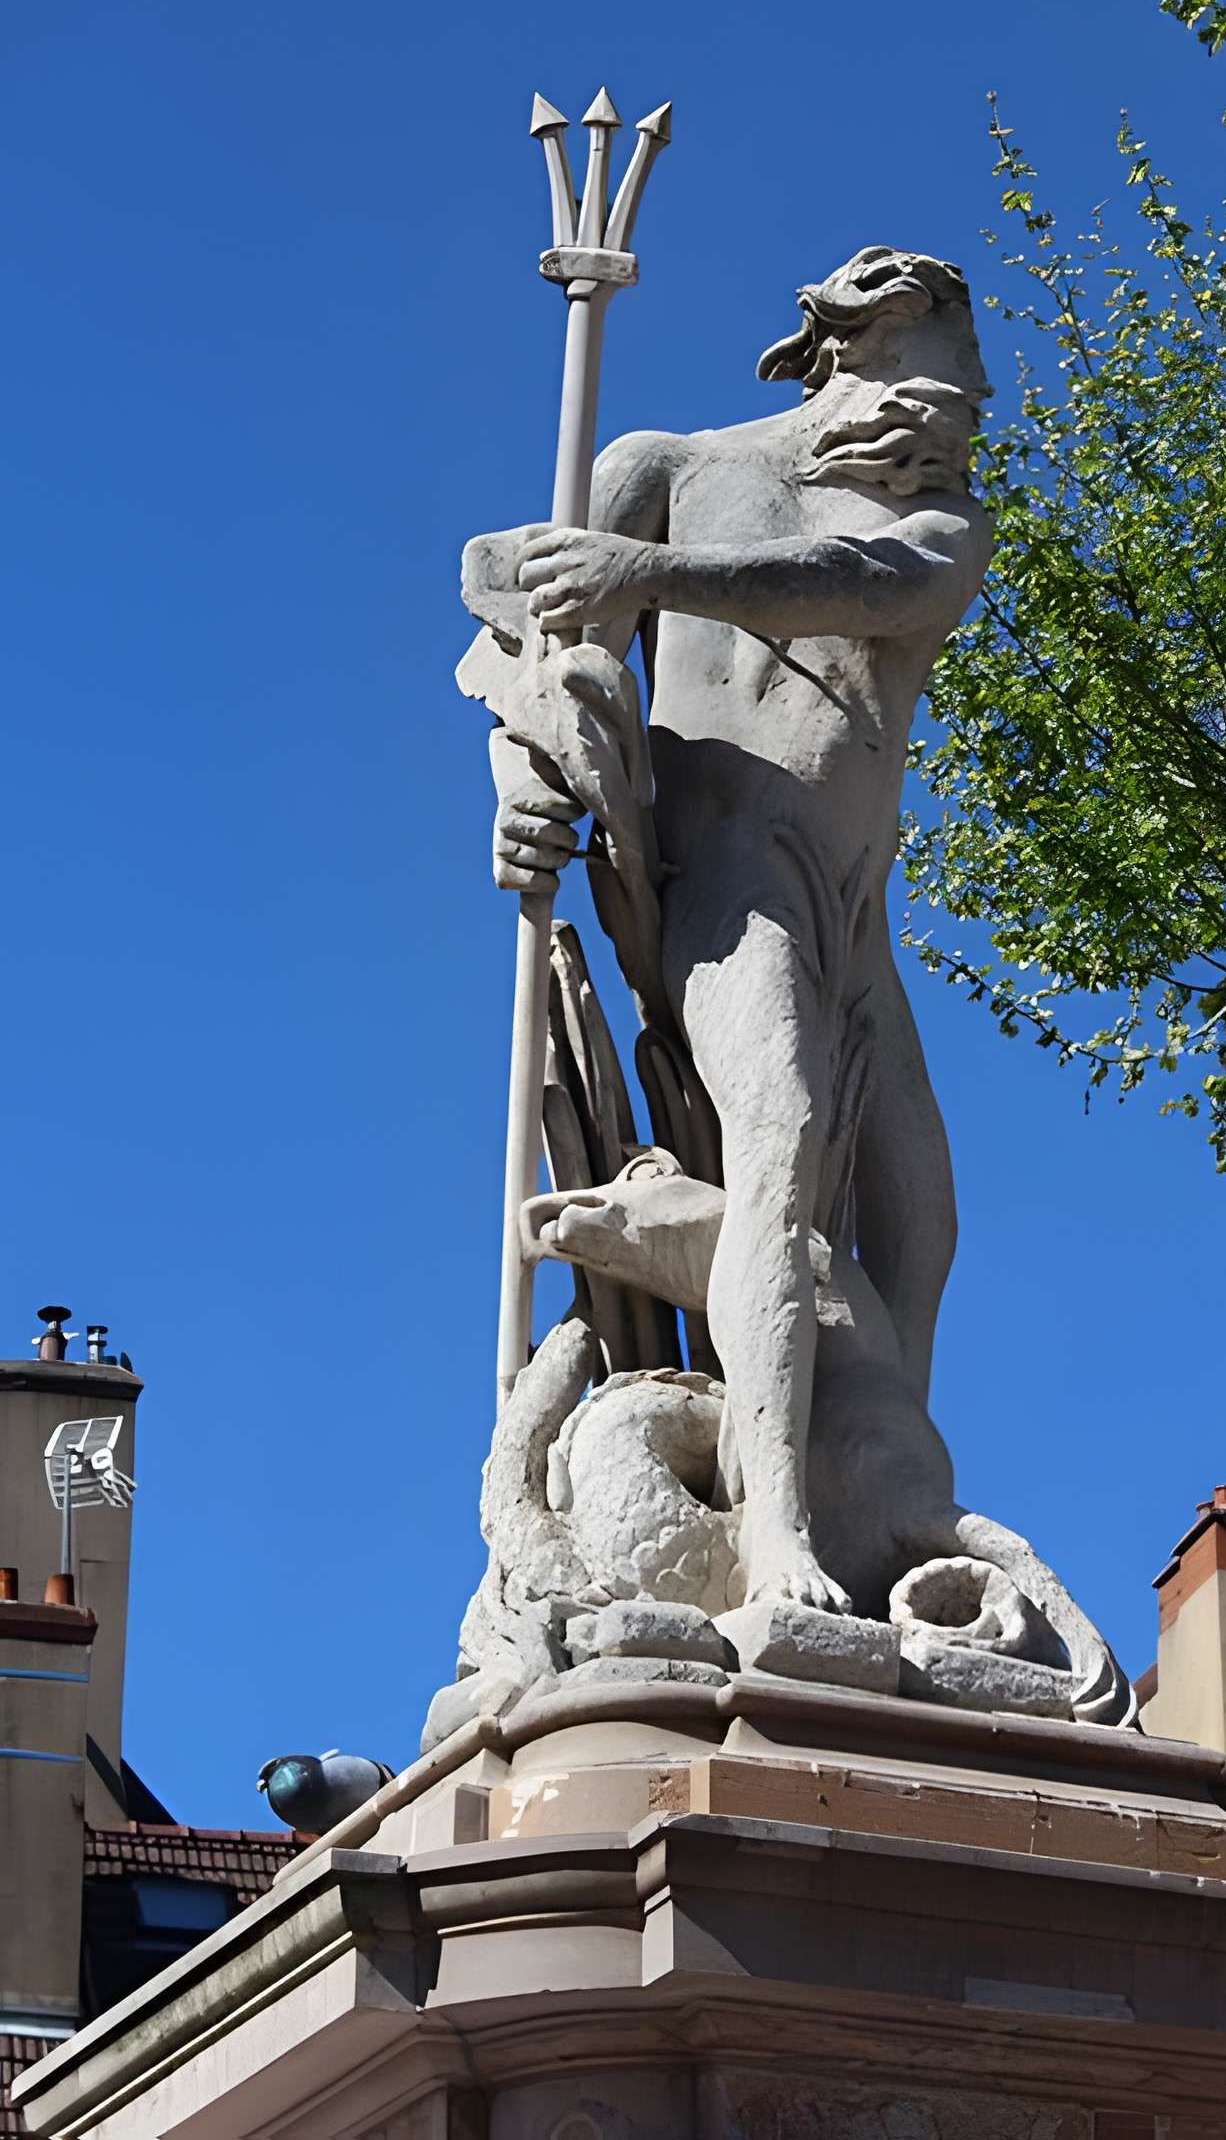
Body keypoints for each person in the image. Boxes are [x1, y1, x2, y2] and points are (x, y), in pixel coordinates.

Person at [464, 248, 991, 1613]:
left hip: (855, 901)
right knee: (781, 1127)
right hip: (732, 870)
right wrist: (522, 792)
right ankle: (772, 1535)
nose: (954, 429)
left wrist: (648, 567)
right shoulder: (666, 465)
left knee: (918, 1218)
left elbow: (870, 586)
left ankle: (882, 1505)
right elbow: (540, 663)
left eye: (964, 410)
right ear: (839, 363)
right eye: (928, 392)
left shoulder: (934, 521)